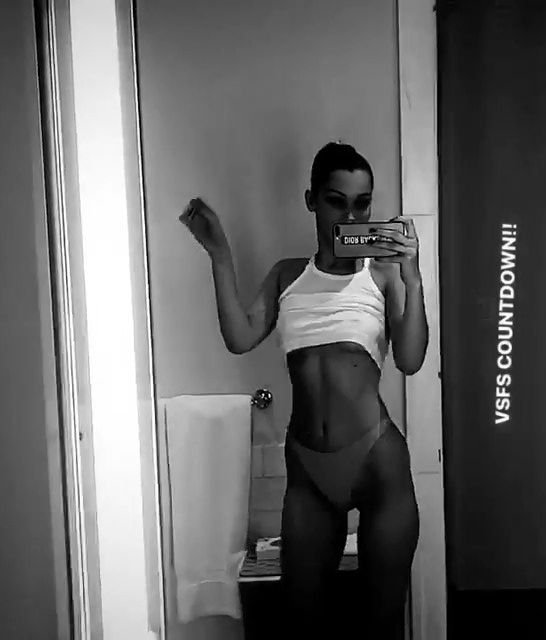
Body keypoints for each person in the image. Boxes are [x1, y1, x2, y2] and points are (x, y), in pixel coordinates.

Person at [181, 141, 429, 639]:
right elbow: (239, 337)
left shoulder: (381, 276)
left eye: (362, 204)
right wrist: (219, 254)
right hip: (309, 473)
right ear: (311, 200)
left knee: (382, 626)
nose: (350, 217)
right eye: (337, 202)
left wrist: (413, 277)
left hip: (378, 462)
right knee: (301, 621)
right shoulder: (287, 275)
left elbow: (410, 359)